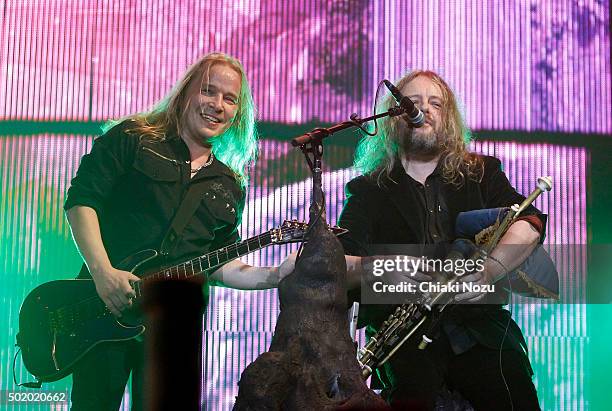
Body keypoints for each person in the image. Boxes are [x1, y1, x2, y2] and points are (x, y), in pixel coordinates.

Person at [64, 53, 294, 410]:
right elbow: (81, 202)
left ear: (238, 112)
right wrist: (103, 272)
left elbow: (219, 263)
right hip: (104, 307)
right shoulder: (132, 138)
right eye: (209, 91)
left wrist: (276, 275)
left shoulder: (229, 185)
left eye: (230, 99)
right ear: (186, 92)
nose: (218, 105)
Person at [338, 71, 554, 410]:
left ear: (448, 118)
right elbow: (337, 264)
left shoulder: (483, 173)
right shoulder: (367, 191)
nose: (423, 109)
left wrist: (489, 271)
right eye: (412, 102)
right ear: (394, 119)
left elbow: (530, 223)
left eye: (435, 103)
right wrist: (378, 269)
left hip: (482, 332)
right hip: (403, 339)